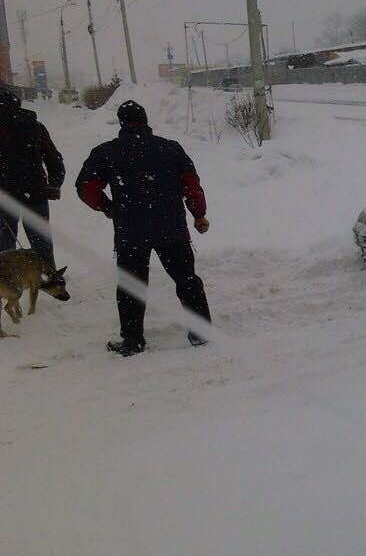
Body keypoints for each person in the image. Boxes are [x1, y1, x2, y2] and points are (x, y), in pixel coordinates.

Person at [76, 100, 212, 356]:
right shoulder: (170, 149)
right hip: (171, 227)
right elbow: (191, 184)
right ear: (145, 120)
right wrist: (199, 214)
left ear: (121, 123)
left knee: (131, 285)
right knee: (187, 279)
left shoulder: (107, 152)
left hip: (131, 230)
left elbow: (86, 188)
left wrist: (109, 208)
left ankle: (133, 340)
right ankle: (201, 331)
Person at [0, 87, 65, 268]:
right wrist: (54, 184)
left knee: (4, 243)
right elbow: (53, 158)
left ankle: (7, 280)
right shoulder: (34, 126)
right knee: (41, 240)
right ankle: (47, 276)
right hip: (35, 192)